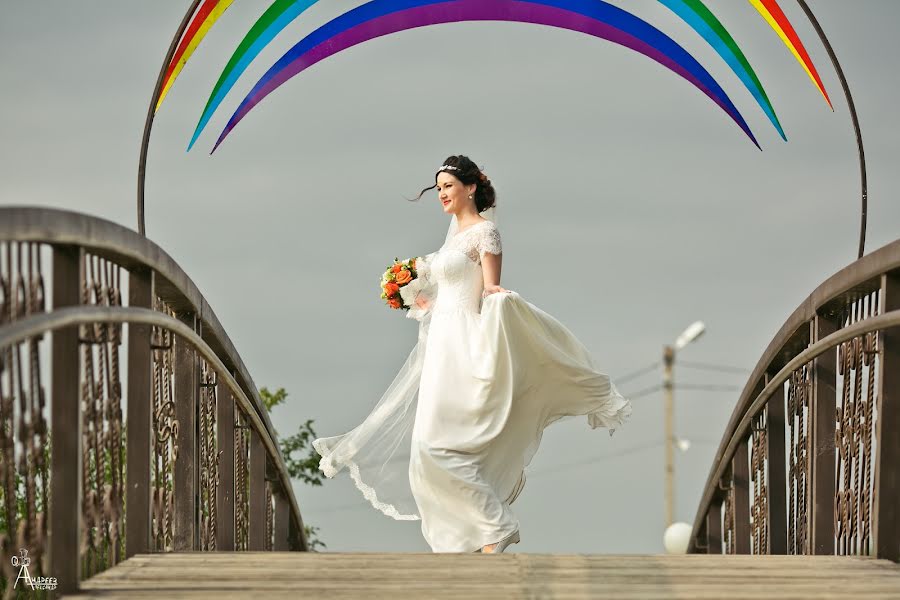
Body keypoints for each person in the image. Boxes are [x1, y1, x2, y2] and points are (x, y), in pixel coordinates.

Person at [313, 155, 631, 554]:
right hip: (439, 343)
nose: (442, 194)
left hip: (464, 343)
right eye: (439, 187)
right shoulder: (450, 240)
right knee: (426, 450)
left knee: (445, 446)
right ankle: (478, 534)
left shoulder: (486, 233)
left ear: (471, 187)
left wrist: (498, 305)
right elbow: (445, 288)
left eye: (448, 186)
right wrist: (412, 294)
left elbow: (488, 290)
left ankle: (495, 526)